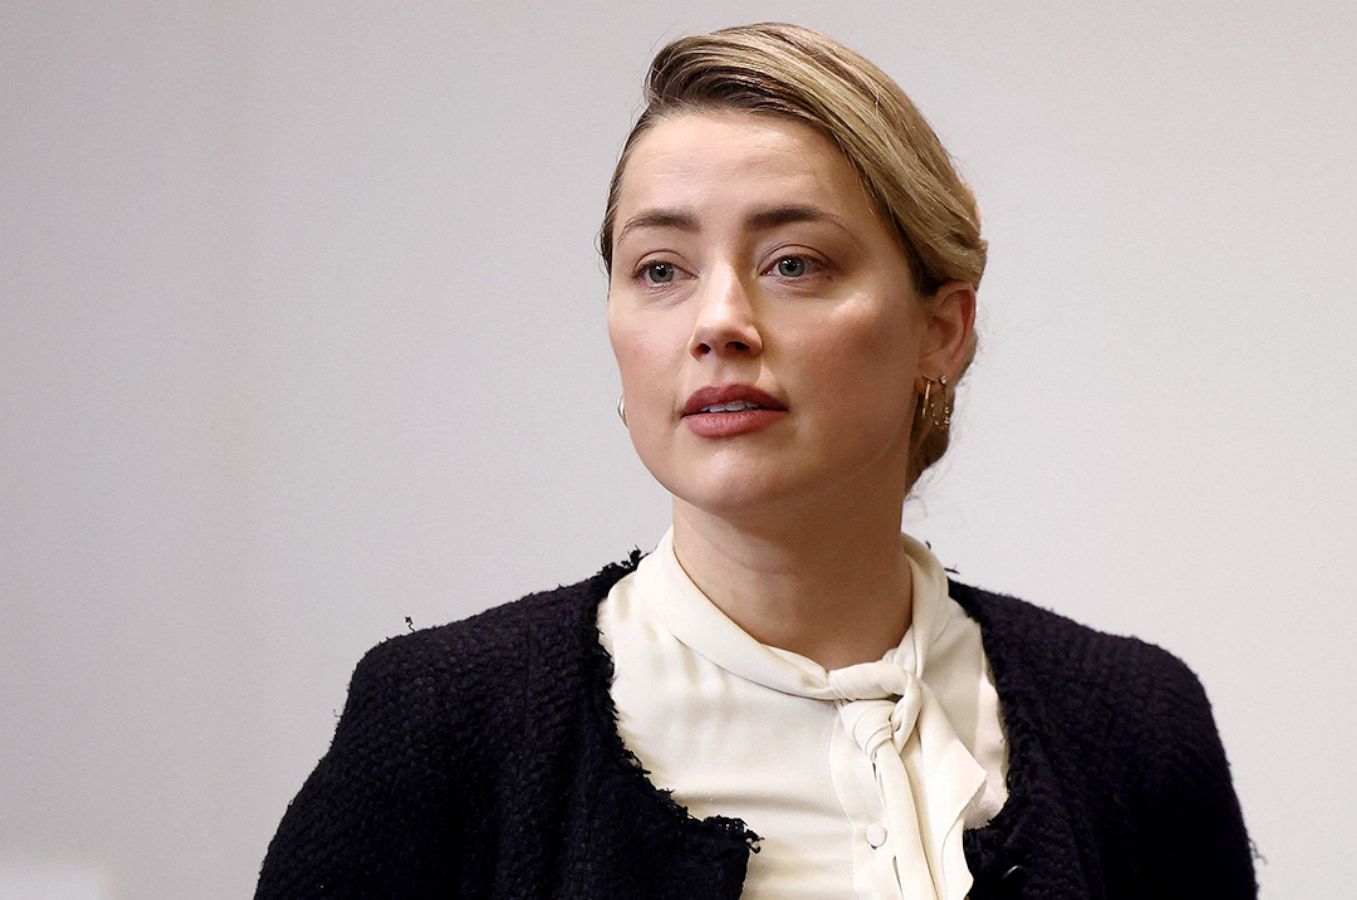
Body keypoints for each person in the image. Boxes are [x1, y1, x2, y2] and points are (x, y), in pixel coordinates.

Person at [256, 22, 1255, 900]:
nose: (718, 321)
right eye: (660, 270)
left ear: (940, 332)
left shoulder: (1133, 727)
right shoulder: (443, 725)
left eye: (793, 264)